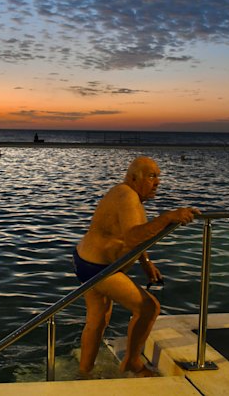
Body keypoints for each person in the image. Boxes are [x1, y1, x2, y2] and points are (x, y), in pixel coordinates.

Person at [74, 156, 199, 377]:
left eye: (158, 176)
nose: (157, 182)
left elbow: (133, 235)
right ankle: (132, 362)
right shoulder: (127, 196)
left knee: (98, 317)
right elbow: (133, 237)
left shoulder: (129, 196)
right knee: (148, 308)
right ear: (133, 177)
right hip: (100, 269)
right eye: (151, 176)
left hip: (89, 261)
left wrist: (147, 264)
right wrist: (169, 217)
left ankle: (84, 372)